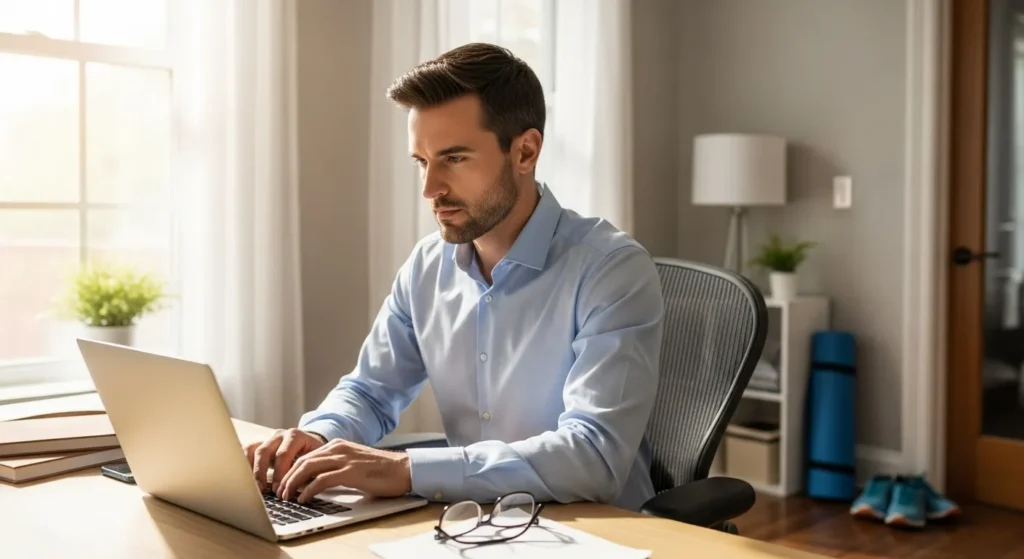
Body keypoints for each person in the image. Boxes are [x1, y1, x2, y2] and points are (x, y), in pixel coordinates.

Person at [246, 42, 665, 512]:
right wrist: (317, 435)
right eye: (422, 162)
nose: (430, 189)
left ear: (524, 152)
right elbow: (370, 391)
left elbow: (594, 455)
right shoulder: (428, 266)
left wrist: (407, 471)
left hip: (595, 529)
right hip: (472, 521)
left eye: (454, 158)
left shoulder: (611, 269)